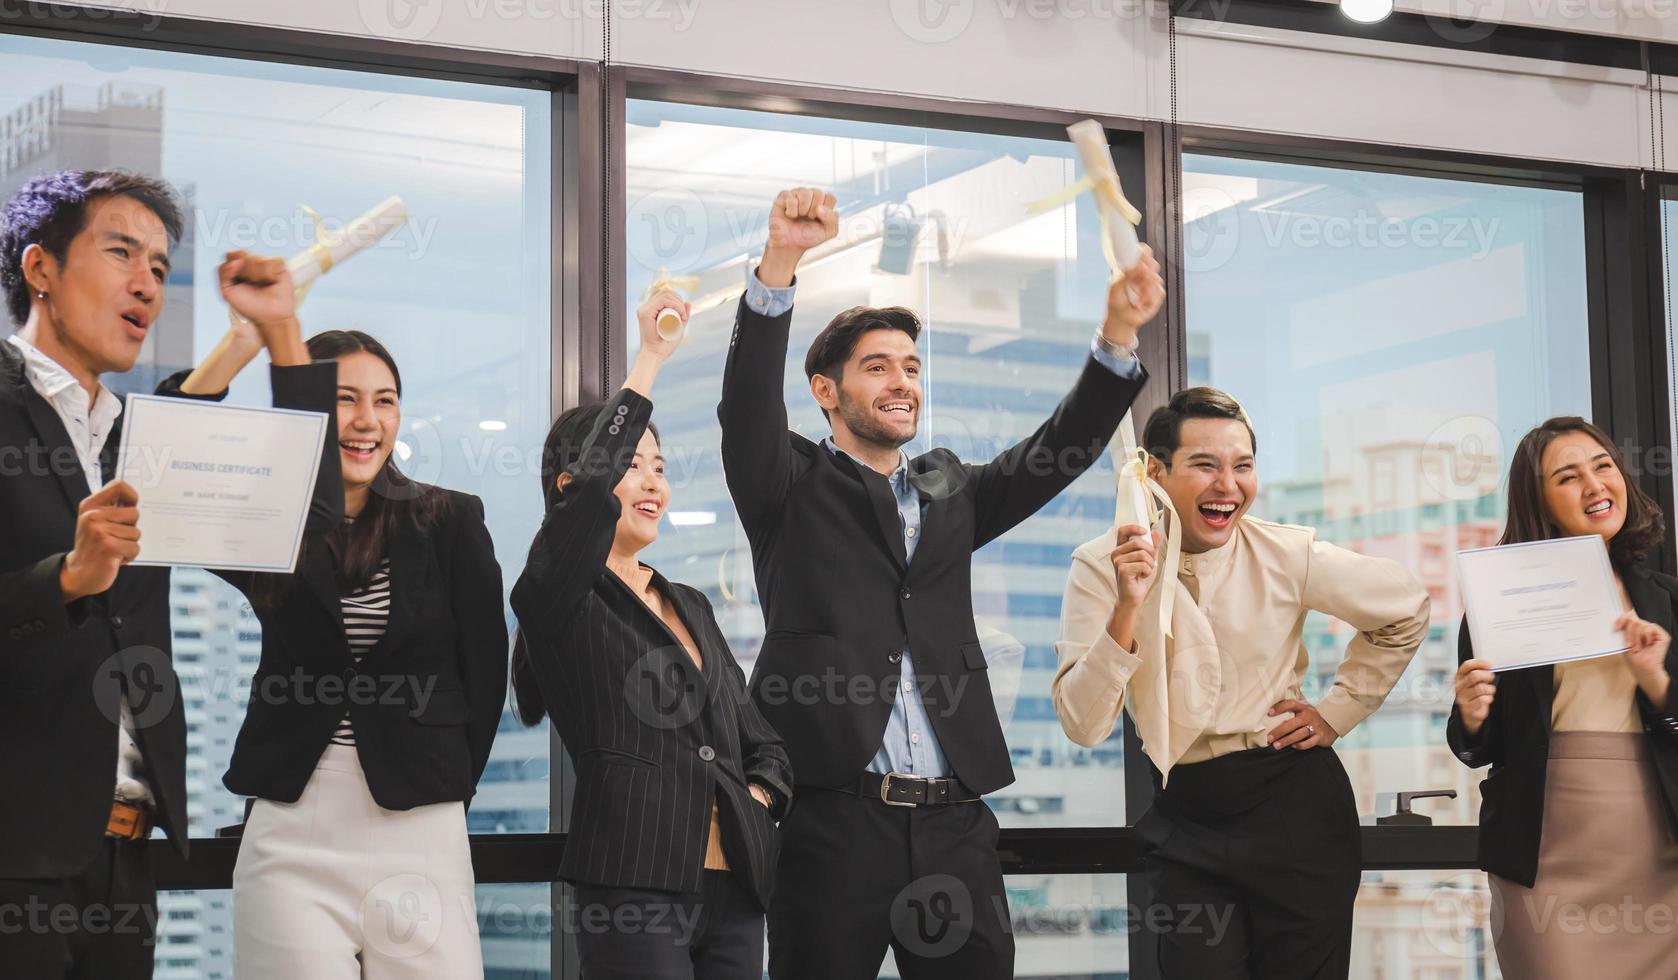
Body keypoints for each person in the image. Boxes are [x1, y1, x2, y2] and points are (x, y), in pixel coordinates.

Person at [719, 186, 1163, 979]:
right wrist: (781, 261)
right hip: (832, 819)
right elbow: (745, 401)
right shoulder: (786, 482)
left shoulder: (948, 490)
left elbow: (1056, 449)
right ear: (827, 391)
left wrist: (1118, 334)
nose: (902, 382)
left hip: (956, 822)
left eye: (912, 368)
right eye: (878, 367)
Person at [0, 169, 337, 977]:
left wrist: (282, 334)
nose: (146, 281)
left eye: (159, 265)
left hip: (127, 855)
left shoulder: (138, 440)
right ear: (40, 270)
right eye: (122, 252)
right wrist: (68, 579)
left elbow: (304, 528)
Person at [1053, 386, 1430, 979]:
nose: (1229, 485)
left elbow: (1405, 608)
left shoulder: (1286, 553)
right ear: (1155, 471)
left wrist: (1339, 710)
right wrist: (1126, 608)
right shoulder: (1100, 564)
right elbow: (1082, 722)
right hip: (1187, 812)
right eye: (1205, 465)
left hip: (1292, 804)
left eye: (1243, 466)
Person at [509, 289, 792, 979]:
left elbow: (762, 742)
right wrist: (651, 358)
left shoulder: (689, 602)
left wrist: (758, 801)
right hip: (634, 882)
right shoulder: (559, 595)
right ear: (574, 483)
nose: (652, 483)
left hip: (734, 891)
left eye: (659, 468)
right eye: (632, 464)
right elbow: (580, 515)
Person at [216, 328, 508, 979]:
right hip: (292, 826)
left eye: (385, 400)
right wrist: (243, 345)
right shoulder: (270, 528)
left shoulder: (449, 520)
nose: (366, 420)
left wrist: (442, 784)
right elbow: (156, 469)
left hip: (420, 826)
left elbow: (486, 678)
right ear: (306, 408)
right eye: (344, 398)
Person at [1448, 416, 1678, 978]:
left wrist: (1656, 682)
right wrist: (1473, 716)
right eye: (1569, 477)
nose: (1596, 485)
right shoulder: (1498, 602)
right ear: (1541, 502)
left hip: (1658, 845)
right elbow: (1480, 747)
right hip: (1541, 850)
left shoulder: (1668, 598)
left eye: (1603, 467)